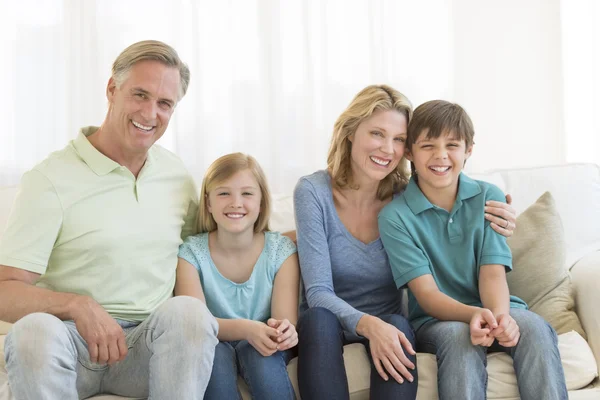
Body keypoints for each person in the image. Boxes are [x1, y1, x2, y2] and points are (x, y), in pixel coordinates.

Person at [0, 40, 218, 399]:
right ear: (112, 90)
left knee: (190, 315)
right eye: (140, 95)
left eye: (165, 103)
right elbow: (5, 290)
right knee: (32, 331)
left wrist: (291, 241)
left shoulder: (176, 176)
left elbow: (205, 254)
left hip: (146, 350)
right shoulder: (49, 178)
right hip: (69, 346)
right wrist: (76, 305)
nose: (150, 113)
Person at [293, 85, 518, 400]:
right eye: (377, 134)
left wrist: (498, 214)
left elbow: (457, 202)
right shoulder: (312, 191)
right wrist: (370, 326)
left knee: (398, 324)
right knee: (317, 320)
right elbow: (317, 294)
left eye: (398, 139)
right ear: (350, 132)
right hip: (328, 322)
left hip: (392, 319)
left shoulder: (408, 198)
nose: (387, 149)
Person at [379, 100, 568, 399]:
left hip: (496, 305)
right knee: (459, 336)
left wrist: (501, 317)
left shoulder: (488, 197)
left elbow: (492, 274)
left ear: (468, 150)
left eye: (452, 144)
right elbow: (426, 295)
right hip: (436, 320)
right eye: (428, 145)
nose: (441, 155)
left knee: (533, 327)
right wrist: (474, 316)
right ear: (410, 152)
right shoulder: (395, 216)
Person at [175, 153, 299, 400]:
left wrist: (286, 331)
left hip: (262, 345)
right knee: (213, 353)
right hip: (212, 341)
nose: (235, 203)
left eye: (247, 193)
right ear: (208, 203)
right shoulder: (190, 253)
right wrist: (247, 329)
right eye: (223, 193)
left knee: (258, 353)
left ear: (262, 202)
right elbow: (197, 325)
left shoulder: (281, 251)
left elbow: (285, 320)